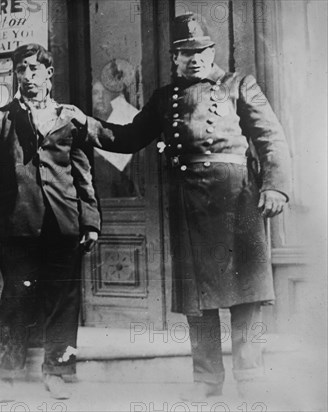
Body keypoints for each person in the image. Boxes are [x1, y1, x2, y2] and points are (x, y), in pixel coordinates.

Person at [69, 13, 292, 401]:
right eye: (185, 53)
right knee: (197, 300)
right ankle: (207, 380)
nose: (194, 59)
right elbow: (127, 138)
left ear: (212, 50)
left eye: (200, 51)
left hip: (237, 199)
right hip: (188, 204)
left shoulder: (239, 85)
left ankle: (251, 375)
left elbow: (271, 138)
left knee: (247, 293)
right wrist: (85, 123)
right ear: (175, 58)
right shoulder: (163, 98)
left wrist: (275, 188)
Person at [0, 43, 100, 400]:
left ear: (49, 74)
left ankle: (58, 370)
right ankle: (7, 373)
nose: (27, 77)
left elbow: (82, 173)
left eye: (34, 69)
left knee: (62, 298)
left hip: (64, 221)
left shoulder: (70, 117)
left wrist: (91, 219)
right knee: (17, 297)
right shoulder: (1, 116)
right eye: (21, 70)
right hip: (20, 222)